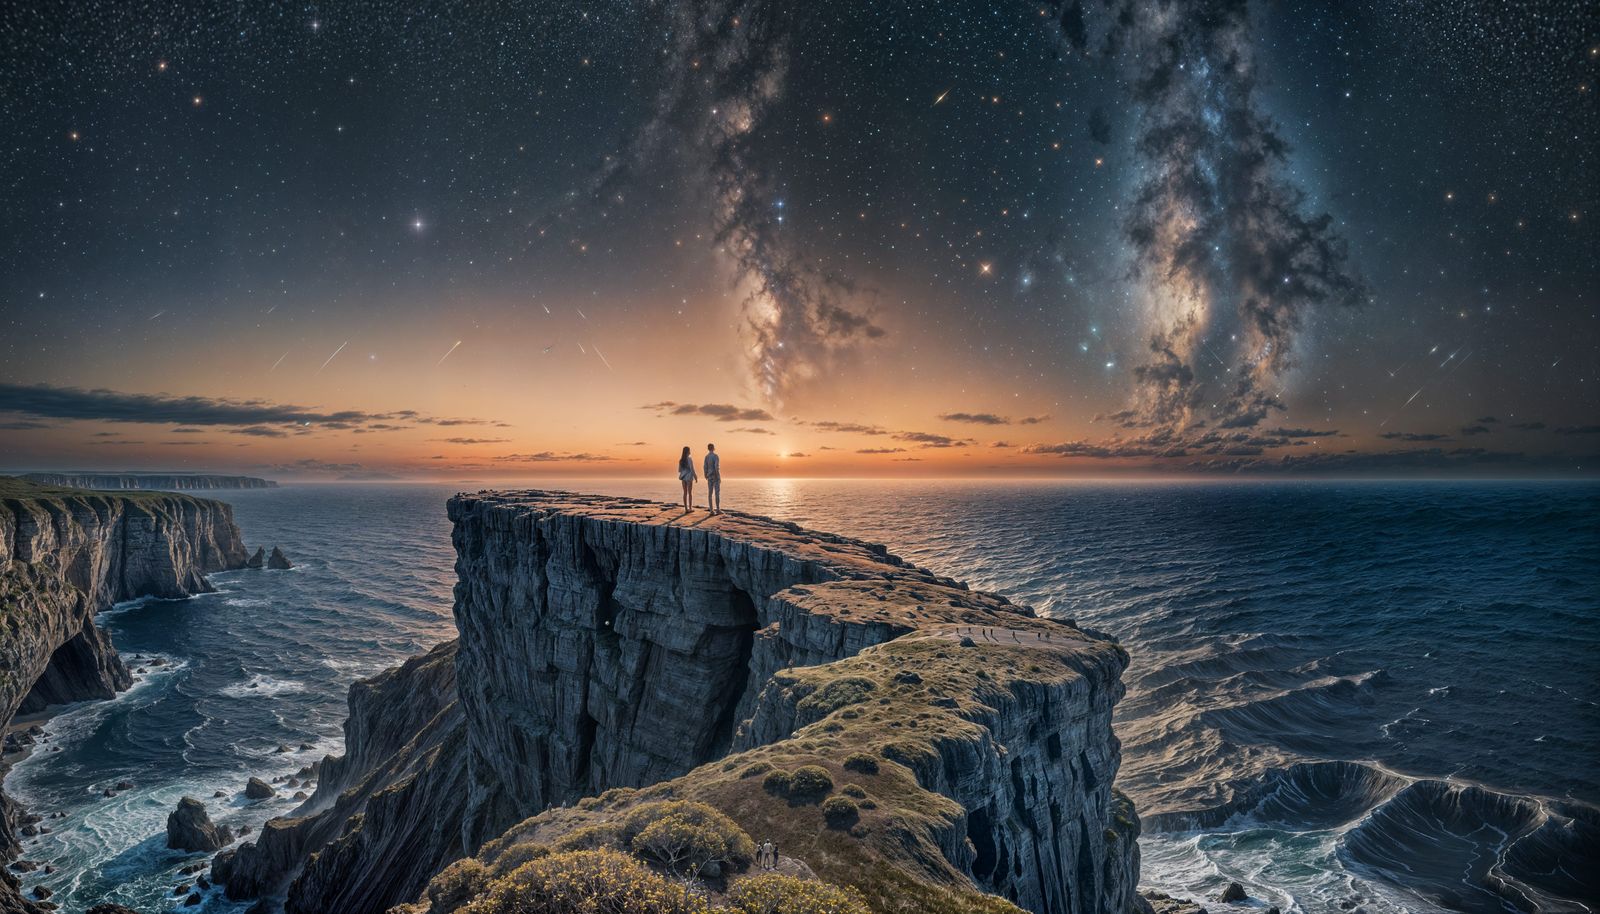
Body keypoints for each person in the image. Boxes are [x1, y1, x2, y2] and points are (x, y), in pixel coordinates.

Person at [703, 443, 722, 514]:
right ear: (713, 448)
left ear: (708, 448)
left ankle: (711, 510)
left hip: (709, 476)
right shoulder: (715, 456)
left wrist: (705, 475)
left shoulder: (706, 457)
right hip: (715, 476)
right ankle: (718, 509)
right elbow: (716, 467)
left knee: (710, 493)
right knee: (717, 493)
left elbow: (705, 467)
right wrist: (718, 477)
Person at [677, 446, 696, 511]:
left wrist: (684, 470)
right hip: (689, 477)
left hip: (683, 477)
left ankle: (686, 508)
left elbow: (679, 470)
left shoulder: (681, 460)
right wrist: (695, 476)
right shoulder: (689, 459)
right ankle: (690, 508)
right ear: (688, 451)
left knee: (685, 493)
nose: (690, 451)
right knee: (690, 493)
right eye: (689, 450)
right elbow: (692, 469)